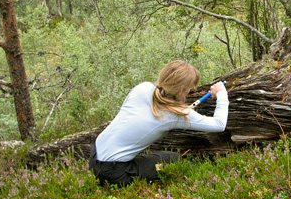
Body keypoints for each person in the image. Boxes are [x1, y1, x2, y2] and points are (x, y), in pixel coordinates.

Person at [89, 60, 229, 187]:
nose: (189, 92)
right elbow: (219, 125)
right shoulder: (176, 114)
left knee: (161, 157)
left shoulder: (142, 88)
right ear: (181, 90)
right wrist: (222, 94)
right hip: (113, 173)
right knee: (174, 161)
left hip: (94, 154)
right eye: (188, 89)